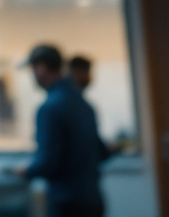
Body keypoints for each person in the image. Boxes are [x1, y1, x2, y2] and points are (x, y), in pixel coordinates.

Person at [16, 44, 110, 217]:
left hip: (67, 202)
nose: (33, 76)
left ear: (42, 68)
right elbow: (102, 152)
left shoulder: (49, 108)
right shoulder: (85, 105)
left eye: (33, 70)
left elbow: (47, 162)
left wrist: (25, 171)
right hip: (93, 199)